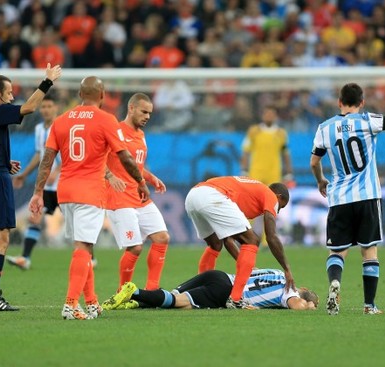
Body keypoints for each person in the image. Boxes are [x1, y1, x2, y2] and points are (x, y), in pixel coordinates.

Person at [28, 76, 150, 320]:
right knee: (84, 248)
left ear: (80, 94)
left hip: (66, 192)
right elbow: (125, 157)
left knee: (82, 246)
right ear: (102, 94)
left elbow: (47, 159)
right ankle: (71, 304)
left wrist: (38, 191)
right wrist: (141, 181)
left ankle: (92, 302)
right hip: (90, 191)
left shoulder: (60, 121)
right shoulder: (106, 120)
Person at [310, 83, 385, 315]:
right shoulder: (368, 120)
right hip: (367, 195)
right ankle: (369, 306)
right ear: (362, 102)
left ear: (339, 102)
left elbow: (314, 162)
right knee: (369, 251)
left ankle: (335, 283)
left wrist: (320, 180)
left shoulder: (324, 128)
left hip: (339, 199)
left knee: (336, 252)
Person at [0, 63, 62, 311]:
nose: (12, 96)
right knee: (1, 239)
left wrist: (0, 161)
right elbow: (29, 107)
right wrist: (47, 82)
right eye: (9, 92)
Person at [185, 176, 295, 309]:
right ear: (279, 196)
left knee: (215, 244)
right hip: (212, 195)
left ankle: (199, 290)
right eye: (281, 206)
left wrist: (246, 265)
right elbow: (271, 237)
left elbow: (227, 240)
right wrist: (287, 269)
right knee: (252, 240)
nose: (277, 210)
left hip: (193, 196)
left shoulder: (251, 194)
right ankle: (236, 299)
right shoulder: (270, 195)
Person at [104, 93, 169, 292]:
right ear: (131, 108)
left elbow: (135, 165)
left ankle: (152, 290)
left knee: (162, 237)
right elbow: (98, 160)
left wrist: (150, 178)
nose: (147, 116)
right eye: (143, 111)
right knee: (135, 247)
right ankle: (122, 292)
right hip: (119, 195)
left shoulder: (140, 135)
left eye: (149, 113)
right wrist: (110, 176)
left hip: (139, 195)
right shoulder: (115, 131)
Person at [7, 93, 61, 270]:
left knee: (76, 221)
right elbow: (40, 155)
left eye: (49, 106)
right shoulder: (39, 129)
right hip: (46, 184)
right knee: (35, 217)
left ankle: (90, 258)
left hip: (64, 183)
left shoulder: (63, 126)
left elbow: (70, 154)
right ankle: (25, 258)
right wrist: (24, 174)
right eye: (43, 107)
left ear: (56, 108)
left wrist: (58, 170)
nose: (46, 110)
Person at [102, 269, 317, 311]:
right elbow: (298, 307)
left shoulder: (278, 272)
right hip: (224, 291)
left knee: (176, 300)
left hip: (220, 275)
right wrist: (310, 305)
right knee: (175, 302)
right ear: (302, 291)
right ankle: (134, 292)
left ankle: (136, 302)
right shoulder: (290, 291)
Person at [241, 105, 295, 188]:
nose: (269, 116)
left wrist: (288, 172)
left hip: (274, 174)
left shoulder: (281, 133)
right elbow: (246, 152)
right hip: (256, 172)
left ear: (276, 116)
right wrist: (244, 170)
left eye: (271, 114)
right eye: (267, 114)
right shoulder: (253, 131)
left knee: (272, 197)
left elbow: (286, 154)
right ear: (262, 115)